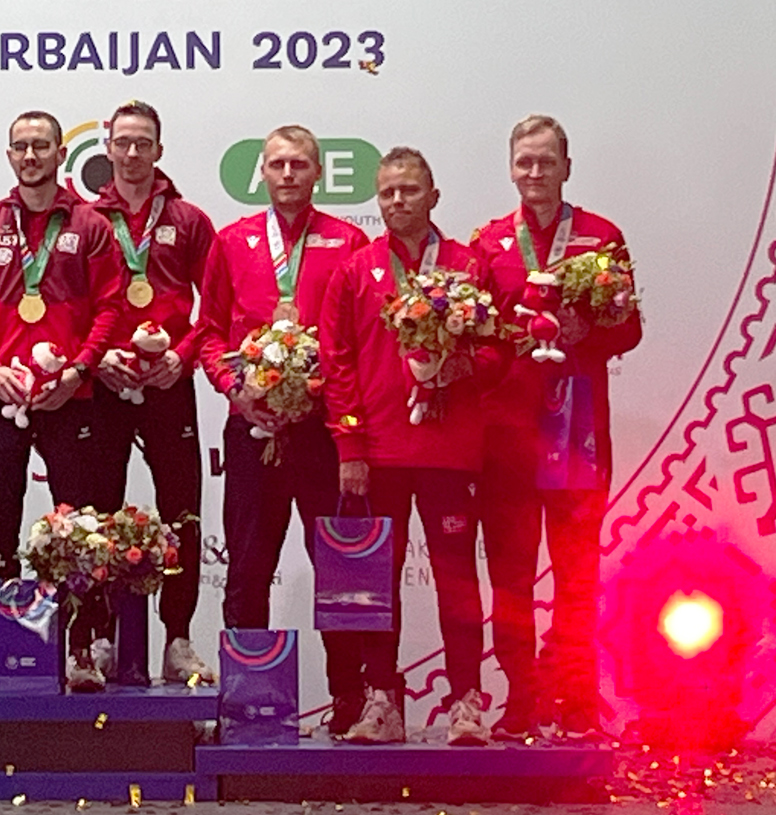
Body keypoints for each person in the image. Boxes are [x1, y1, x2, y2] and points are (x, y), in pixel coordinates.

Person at [320, 147, 507, 746]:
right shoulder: (357, 269)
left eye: (409, 190)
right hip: (380, 454)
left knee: (456, 578)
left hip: (450, 450)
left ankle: (465, 701)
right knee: (377, 585)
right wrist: (350, 445)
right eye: (387, 193)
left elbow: (499, 349)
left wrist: (462, 369)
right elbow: (338, 359)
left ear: (434, 197)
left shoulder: (467, 267)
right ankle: (384, 702)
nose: (397, 201)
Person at [472, 115, 642, 740]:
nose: (535, 174)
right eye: (524, 162)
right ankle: (521, 700)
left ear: (567, 167)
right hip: (509, 438)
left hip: (579, 434)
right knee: (512, 578)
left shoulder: (602, 237)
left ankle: (574, 699)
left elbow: (630, 328)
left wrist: (586, 333)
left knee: (577, 577)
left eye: (546, 162)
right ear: (511, 167)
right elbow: (480, 336)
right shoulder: (489, 243)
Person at [194, 125, 369, 728]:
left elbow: (354, 339)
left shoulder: (347, 241)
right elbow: (209, 333)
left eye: (300, 164)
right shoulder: (232, 241)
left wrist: (321, 395)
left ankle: (349, 702)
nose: (288, 174)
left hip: (322, 434)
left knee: (339, 573)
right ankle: (248, 706)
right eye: (277, 165)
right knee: (246, 568)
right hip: (252, 429)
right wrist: (237, 389)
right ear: (261, 174)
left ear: (317, 173)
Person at [0, 110, 123, 691]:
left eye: (40, 146)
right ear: (8, 155)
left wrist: (76, 372)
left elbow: (111, 308)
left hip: (70, 396)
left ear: (57, 154)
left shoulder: (90, 224)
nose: (30, 156)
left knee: (78, 526)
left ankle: (81, 650)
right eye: (19, 146)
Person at [92, 100, 216, 685]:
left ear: (159, 150)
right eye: (124, 143)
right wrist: (98, 359)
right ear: (108, 149)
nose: (134, 153)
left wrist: (182, 358)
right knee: (95, 514)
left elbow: (216, 306)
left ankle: (178, 637)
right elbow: (72, 308)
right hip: (107, 381)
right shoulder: (88, 220)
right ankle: (95, 637)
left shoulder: (189, 219)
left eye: (144, 143)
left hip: (168, 380)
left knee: (181, 512)